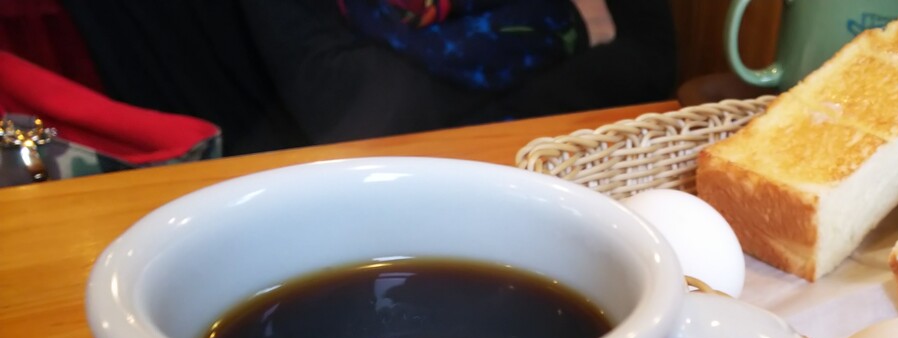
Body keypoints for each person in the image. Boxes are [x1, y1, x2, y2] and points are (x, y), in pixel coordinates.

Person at [60, 0, 677, 155]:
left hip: (569, 159)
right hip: (348, 173)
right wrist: (573, 32)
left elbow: (649, 64)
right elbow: (343, 101)